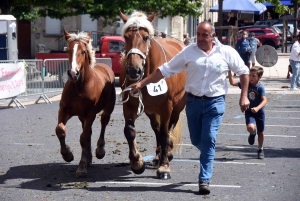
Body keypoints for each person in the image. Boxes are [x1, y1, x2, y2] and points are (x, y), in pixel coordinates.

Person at [131, 21, 250, 195]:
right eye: (199, 34)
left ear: (213, 36)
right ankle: (208, 154)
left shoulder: (226, 52)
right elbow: (164, 70)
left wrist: (244, 95)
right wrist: (142, 83)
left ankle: (204, 180)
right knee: (196, 140)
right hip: (193, 103)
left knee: (208, 138)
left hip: (215, 102)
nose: (201, 38)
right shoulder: (189, 52)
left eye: (205, 35)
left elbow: (244, 71)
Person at [228, 67, 267, 159]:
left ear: (259, 77)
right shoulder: (246, 84)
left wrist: (257, 108)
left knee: (261, 132)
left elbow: (265, 100)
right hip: (249, 111)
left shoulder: (260, 87)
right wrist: (229, 71)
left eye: (254, 76)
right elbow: (232, 82)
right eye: (249, 75)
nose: (251, 77)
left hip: (259, 112)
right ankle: (252, 133)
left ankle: (260, 149)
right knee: (250, 127)